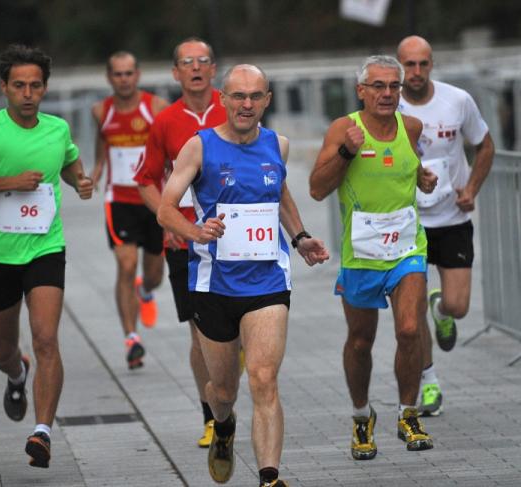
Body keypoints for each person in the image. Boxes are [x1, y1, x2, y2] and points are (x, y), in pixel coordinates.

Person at [159, 64, 329, 487]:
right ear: (223, 99)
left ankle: (269, 478)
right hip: (213, 284)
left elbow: (280, 193)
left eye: (255, 96)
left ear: (267, 100)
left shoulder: (278, 145)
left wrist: (300, 237)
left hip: (268, 281)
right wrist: (196, 231)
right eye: (238, 95)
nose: (246, 104)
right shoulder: (199, 147)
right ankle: (223, 424)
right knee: (223, 391)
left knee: (264, 378)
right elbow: (165, 208)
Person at [0, 44, 93, 469]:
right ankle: (16, 373)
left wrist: (80, 181)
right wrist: (9, 182)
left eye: (35, 86)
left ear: (45, 88)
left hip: (45, 247)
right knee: (3, 350)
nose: (28, 94)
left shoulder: (58, 128)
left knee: (46, 337)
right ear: (4, 87)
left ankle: (42, 431)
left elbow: (69, 162)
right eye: (19, 86)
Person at [309, 55, 438, 460]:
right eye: (378, 86)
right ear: (361, 91)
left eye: (393, 86)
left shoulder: (411, 127)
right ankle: (362, 416)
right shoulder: (343, 129)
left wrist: (423, 178)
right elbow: (316, 189)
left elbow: (409, 166)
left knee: (410, 330)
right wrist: (346, 152)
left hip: (407, 249)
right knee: (361, 341)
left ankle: (408, 413)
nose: (387, 94)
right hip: (362, 253)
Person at [134, 37, 227, 448]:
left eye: (203, 60)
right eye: (187, 62)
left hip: (236, 236)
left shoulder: (235, 107)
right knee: (200, 334)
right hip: (185, 242)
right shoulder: (165, 121)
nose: (195, 67)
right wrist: (166, 217)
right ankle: (211, 418)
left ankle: (226, 385)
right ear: (176, 73)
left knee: (236, 334)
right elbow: (145, 180)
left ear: (213, 69)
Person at [397, 36, 495, 417]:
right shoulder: (390, 105)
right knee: (412, 311)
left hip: (452, 217)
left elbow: (484, 145)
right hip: (410, 222)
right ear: (400, 66)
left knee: (458, 305)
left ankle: (442, 311)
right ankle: (429, 382)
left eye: (423, 64)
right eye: (409, 64)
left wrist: (472, 189)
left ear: (432, 64)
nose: (416, 72)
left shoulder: (457, 100)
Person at [90, 51, 168, 369]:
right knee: (126, 265)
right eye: (117, 74)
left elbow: (169, 149)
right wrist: (95, 173)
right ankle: (131, 338)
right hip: (119, 200)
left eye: (128, 73)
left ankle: (145, 291)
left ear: (137, 75)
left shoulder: (156, 107)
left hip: (154, 201)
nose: (123, 79)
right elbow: (102, 145)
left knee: (154, 275)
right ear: (109, 77)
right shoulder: (101, 111)